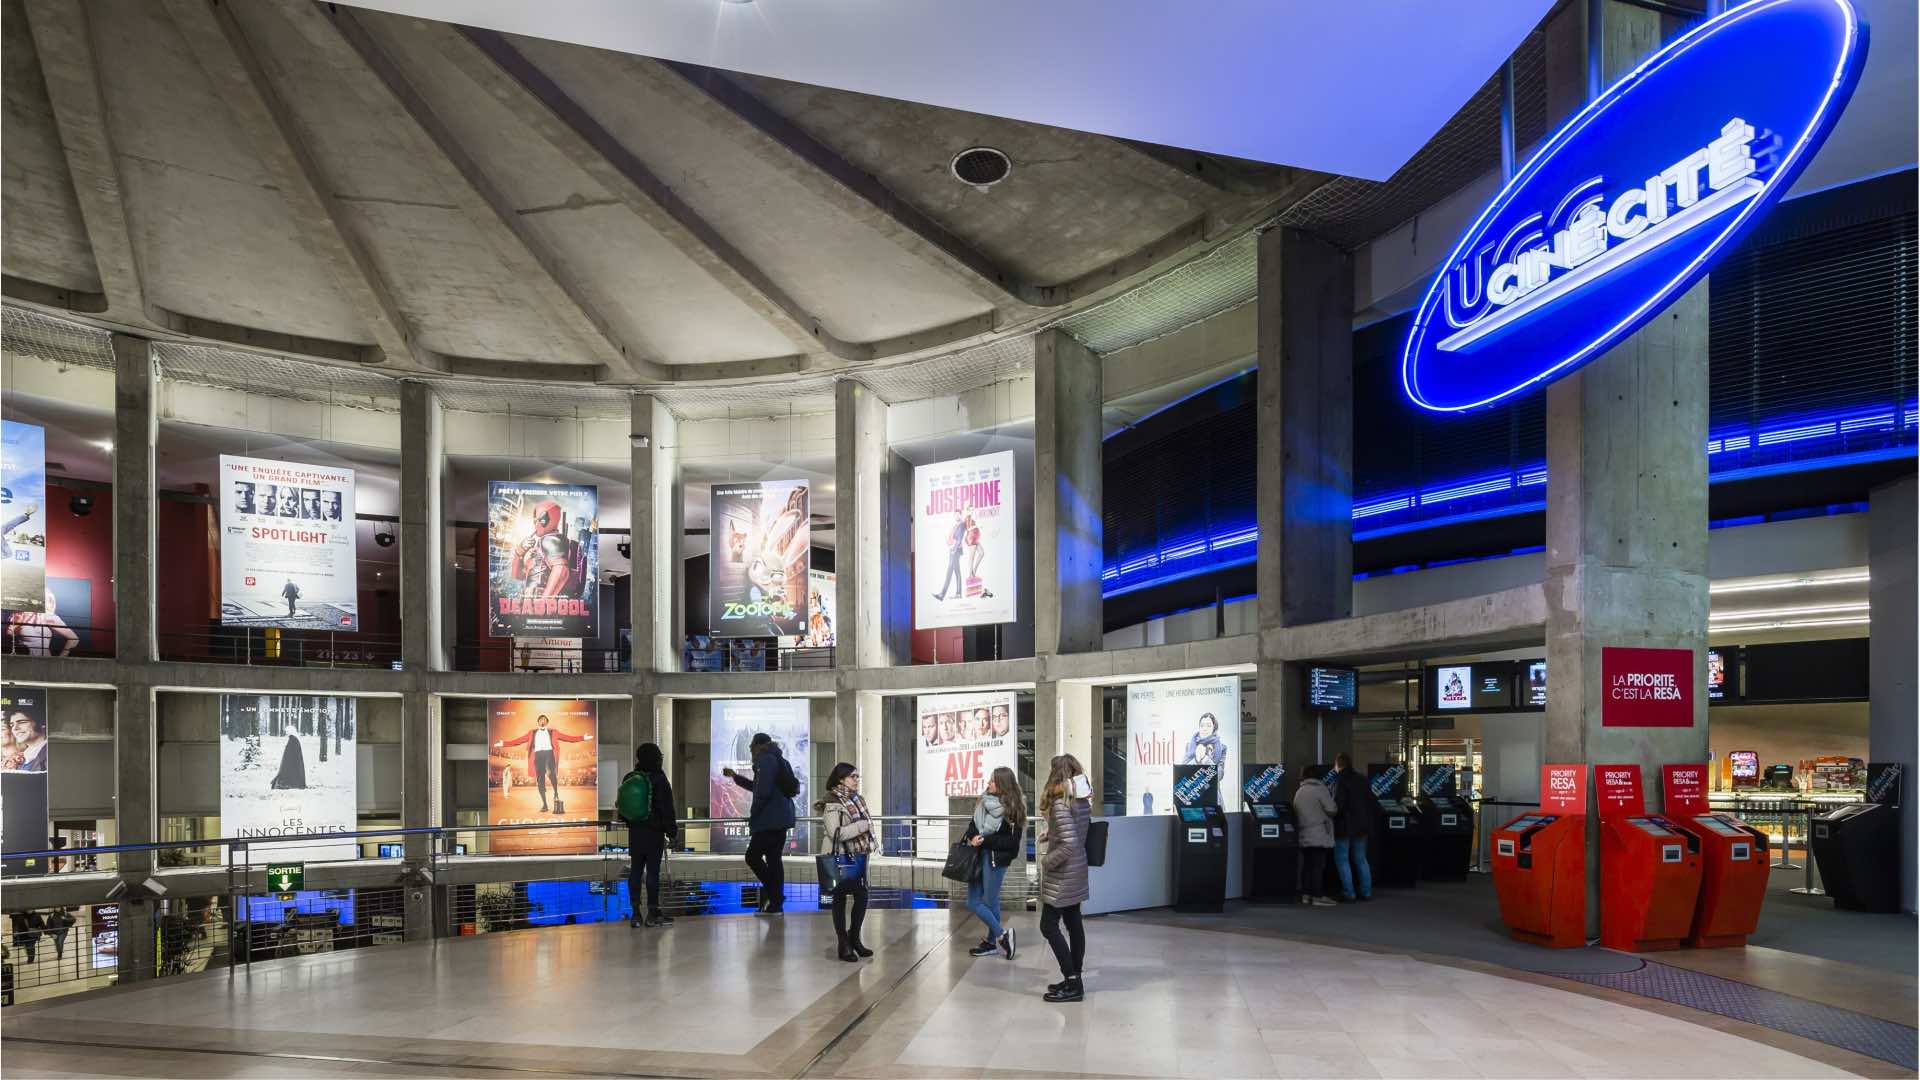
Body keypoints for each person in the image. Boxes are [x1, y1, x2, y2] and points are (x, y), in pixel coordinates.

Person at [1037, 754, 1092, 1003]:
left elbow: (1068, 843)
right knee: (1073, 922)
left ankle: (1072, 982)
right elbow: (1075, 831)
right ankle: (1075, 978)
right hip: (1078, 869)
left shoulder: (1060, 804)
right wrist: (1052, 833)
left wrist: (1047, 861)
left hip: (1063, 874)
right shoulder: (1081, 801)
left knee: (1048, 926)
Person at [722, 733, 798, 913]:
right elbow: (757, 787)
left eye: (751, 747)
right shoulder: (781, 760)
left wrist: (754, 814)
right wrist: (735, 776)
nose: (749, 750)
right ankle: (776, 903)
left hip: (769, 820)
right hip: (782, 819)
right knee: (774, 860)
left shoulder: (765, 760)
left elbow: (762, 792)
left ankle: (775, 895)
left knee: (752, 857)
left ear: (758, 746)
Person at [962, 766, 1023, 960]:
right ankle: (1002, 936)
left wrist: (986, 840)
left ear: (1003, 785)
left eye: (993, 781)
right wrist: (973, 838)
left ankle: (991, 943)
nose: (988, 783)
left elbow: (1012, 844)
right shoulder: (983, 803)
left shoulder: (1014, 810)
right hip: (977, 857)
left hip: (995, 860)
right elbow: (972, 827)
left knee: (989, 901)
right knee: (973, 902)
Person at [816, 762, 875, 961]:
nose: (857, 780)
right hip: (838, 856)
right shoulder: (832, 802)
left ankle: (854, 938)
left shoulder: (858, 800)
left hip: (857, 855)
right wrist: (862, 826)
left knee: (862, 895)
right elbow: (836, 833)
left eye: (858, 776)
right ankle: (843, 943)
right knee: (839, 897)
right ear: (841, 779)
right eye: (853, 776)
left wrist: (863, 827)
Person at [621, 743, 677, 928]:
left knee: (636, 871)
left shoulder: (630, 778)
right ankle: (653, 913)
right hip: (654, 833)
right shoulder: (659, 779)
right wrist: (672, 833)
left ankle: (635, 913)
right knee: (652, 871)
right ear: (655, 758)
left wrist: (632, 823)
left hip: (635, 832)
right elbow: (667, 809)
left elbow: (623, 808)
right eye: (659, 756)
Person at [494, 713, 592, 814]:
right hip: (538, 756)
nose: (542, 721)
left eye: (544, 719)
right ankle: (544, 805)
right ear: (538, 722)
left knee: (551, 773)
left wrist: (583, 737)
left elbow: (568, 738)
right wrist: (504, 743)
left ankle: (556, 792)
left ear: (547, 722)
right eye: (541, 719)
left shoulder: (553, 732)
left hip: (549, 754)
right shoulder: (531, 732)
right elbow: (518, 741)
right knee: (540, 781)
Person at [1328, 753, 1374, 902]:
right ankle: (1366, 892)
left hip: (1344, 827)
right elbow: (1370, 801)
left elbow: (1338, 805)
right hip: (1362, 826)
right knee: (1361, 859)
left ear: (1338, 764)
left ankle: (1349, 892)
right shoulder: (1362, 779)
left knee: (1342, 859)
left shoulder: (1340, 781)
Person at [1291, 767, 1338, 906]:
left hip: (1304, 833)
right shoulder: (1320, 789)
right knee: (1318, 866)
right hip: (1319, 833)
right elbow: (1332, 809)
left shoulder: (1299, 792)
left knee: (1307, 866)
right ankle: (1317, 896)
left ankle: (1306, 895)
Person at [6, 590, 78, 657]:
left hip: (42, 662)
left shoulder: (45, 616)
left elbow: (73, 639)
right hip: (21, 660)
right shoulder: (17, 614)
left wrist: (60, 659)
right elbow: (9, 635)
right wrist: (15, 625)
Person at [932, 508, 966, 602]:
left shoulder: (962, 525)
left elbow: (959, 538)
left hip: (955, 551)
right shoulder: (956, 525)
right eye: (955, 515)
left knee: (949, 571)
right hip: (953, 550)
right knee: (957, 572)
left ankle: (942, 595)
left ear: (961, 515)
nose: (956, 516)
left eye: (958, 514)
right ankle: (958, 593)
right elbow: (952, 537)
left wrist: (954, 549)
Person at [6, 709, 48, 774]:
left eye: (22, 722)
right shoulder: (19, 757)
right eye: (12, 725)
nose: (15, 728)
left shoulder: (50, 752)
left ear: (42, 723)